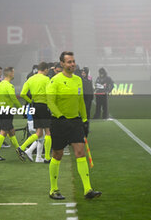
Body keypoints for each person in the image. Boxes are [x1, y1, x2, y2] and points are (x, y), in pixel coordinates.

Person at [46, 51, 101, 200]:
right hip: (59, 122)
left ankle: (88, 190)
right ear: (62, 64)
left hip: (75, 122)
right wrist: (60, 116)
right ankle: (53, 189)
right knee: (57, 155)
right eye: (69, 62)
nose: (72, 64)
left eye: (73, 61)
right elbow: (50, 101)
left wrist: (84, 119)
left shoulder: (78, 80)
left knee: (80, 152)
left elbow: (80, 101)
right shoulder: (55, 80)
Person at [17, 62, 52, 163]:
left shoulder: (31, 78)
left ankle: (21, 148)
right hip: (44, 106)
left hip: (34, 106)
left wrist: (30, 101)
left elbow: (23, 94)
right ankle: (47, 158)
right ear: (45, 69)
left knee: (39, 132)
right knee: (48, 132)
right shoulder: (46, 79)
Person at [0, 67, 21, 161]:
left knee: (11, 130)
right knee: (4, 131)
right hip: (7, 111)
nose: (14, 74)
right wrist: (21, 109)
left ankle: (18, 149)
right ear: (10, 73)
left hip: (0, 110)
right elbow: (14, 99)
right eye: (13, 72)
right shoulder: (9, 85)